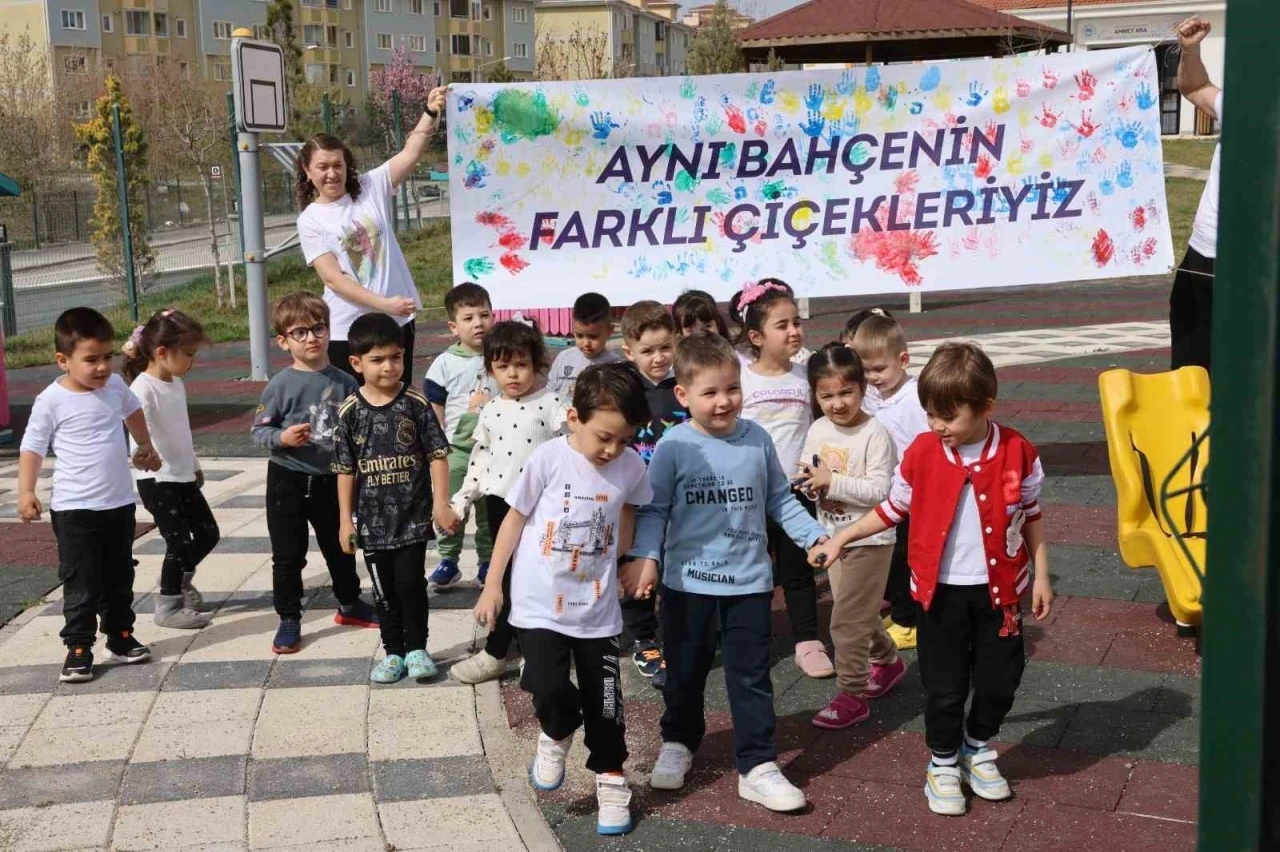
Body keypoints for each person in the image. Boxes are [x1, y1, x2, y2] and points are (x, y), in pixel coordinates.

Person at [809, 342, 1054, 817]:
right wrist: (843, 538)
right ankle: (942, 761)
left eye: (948, 416)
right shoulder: (923, 452)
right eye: (930, 414)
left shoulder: (1017, 451)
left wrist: (1041, 574)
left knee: (1001, 680)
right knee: (945, 685)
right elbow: (892, 508)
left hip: (1001, 593)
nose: (937, 425)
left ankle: (977, 745)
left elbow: (1031, 514)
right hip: (939, 593)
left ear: (985, 406)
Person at [628, 333, 828, 813]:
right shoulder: (674, 446)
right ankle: (679, 741)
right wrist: (646, 557)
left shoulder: (756, 439)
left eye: (732, 389)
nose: (723, 401)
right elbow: (654, 511)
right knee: (684, 672)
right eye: (710, 392)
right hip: (687, 586)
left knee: (752, 676)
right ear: (683, 395)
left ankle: (758, 765)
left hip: (750, 585)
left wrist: (813, 537)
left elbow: (780, 498)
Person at [473, 363, 653, 836]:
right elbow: (513, 521)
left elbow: (627, 521)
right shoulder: (549, 459)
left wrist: (630, 560)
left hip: (598, 609)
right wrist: (493, 585)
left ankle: (611, 780)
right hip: (538, 605)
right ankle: (556, 729)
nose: (612, 450)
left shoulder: (631, 466)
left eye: (624, 440)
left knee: (607, 701)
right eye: (604, 437)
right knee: (548, 687)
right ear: (574, 418)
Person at [17, 308, 162, 683]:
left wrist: (144, 445)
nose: (102, 367)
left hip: (118, 504)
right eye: (91, 359)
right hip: (74, 511)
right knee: (81, 580)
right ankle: (79, 646)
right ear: (63, 360)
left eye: (107, 357)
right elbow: (32, 447)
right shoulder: (51, 400)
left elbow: (133, 411)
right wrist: (26, 491)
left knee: (119, 575)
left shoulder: (114, 386)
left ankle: (120, 635)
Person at [333, 313, 458, 684]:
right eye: (377, 359)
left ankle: (417, 649)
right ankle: (393, 653)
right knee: (383, 591)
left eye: (395, 357)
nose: (388, 366)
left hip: (413, 518)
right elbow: (344, 470)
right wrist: (344, 521)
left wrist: (441, 503)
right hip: (371, 524)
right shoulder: (349, 412)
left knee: (410, 584)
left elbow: (438, 455)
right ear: (356, 363)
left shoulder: (415, 404)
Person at [252, 293, 380, 654]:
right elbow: (259, 431)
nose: (311, 338)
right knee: (288, 555)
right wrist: (282, 438)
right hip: (287, 479)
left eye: (318, 328)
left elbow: (361, 427)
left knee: (341, 547)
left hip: (333, 481)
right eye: (300, 332)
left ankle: (350, 603)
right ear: (284, 341)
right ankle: (289, 618)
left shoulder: (346, 382)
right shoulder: (279, 385)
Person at [294, 85, 446, 388]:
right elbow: (334, 279)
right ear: (307, 171)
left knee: (397, 395)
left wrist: (430, 112)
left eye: (338, 165)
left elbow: (411, 153)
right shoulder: (310, 220)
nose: (332, 173)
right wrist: (383, 304)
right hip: (349, 328)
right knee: (356, 402)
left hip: (397, 320)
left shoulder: (369, 187)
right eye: (322, 167)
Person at [448, 321, 567, 684]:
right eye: (502, 366)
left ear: (537, 365)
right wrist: (461, 501)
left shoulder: (554, 404)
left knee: (539, 579)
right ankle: (496, 651)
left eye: (521, 364)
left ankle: (537, 652)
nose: (512, 374)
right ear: (490, 368)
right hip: (500, 505)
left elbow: (574, 448)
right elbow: (480, 460)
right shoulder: (489, 410)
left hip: (544, 509)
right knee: (503, 577)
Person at [795, 345, 904, 730]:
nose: (837, 403)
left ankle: (852, 695)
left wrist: (832, 481)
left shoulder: (875, 433)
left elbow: (880, 491)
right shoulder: (818, 429)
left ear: (862, 388)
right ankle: (888, 661)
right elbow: (809, 469)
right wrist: (809, 483)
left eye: (846, 392)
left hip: (871, 540)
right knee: (857, 613)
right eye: (826, 396)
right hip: (832, 536)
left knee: (845, 622)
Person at [728, 278, 830, 678]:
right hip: (749, 492)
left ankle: (808, 641)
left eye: (796, 322)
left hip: (796, 492)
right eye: (782, 325)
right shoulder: (741, 378)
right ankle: (749, 636)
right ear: (755, 337)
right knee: (750, 567)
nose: (794, 331)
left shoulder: (806, 374)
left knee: (799, 570)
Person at [122, 309, 218, 630]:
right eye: (188, 354)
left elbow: (181, 431)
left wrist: (194, 465)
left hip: (181, 474)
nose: (192, 361)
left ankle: (179, 581)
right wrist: (143, 455)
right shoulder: (142, 388)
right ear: (162, 352)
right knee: (177, 541)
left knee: (207, 533)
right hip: (157, 479)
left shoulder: (175, 383)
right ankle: (167, 605)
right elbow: (137, 431)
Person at [851, 312, 930, 650]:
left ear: (903, 360)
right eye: (866, 371)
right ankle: (902, 611)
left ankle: (909, 621)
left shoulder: (914, 399)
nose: (873, 377)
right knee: (887, 557)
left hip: (912, 496)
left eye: (880, 369)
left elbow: (929, 446)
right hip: (886, 494)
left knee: (903, 560)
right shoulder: (874, 394)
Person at [619, 300, 687, 688]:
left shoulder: (685, 386)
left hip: (678, 498)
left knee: (677, 565)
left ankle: (680, 631)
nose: (659, 357)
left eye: (665, 347)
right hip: (635, 499)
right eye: (648, 350)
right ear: (629, 351)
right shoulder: (625, 390)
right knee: (636, 567)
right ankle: (644, 639)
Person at [423, 282, 497, 588]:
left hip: (495, 451)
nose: (478, 323)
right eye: (468, 318)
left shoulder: (502, 354)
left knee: (489, 509)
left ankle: (487, 561)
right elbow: (435, 410)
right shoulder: (444, 363)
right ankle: (448, 560)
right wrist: (437, 449)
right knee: (453, 506)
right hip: (457, 451)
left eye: (484, 315)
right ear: (453, 326)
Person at [1169, 15, 1223, 372]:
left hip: (1258, 265)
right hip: (1202, 255)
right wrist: (1189, 51)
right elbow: (1195, 87)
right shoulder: (1250, 101)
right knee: (1191, 373)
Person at [548, 292, 622, 398]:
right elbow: (550, 390)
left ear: (610, 331)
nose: (586, 343)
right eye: (579, 335)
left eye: (593, 336)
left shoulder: (615, 365)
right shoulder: (564, 358)